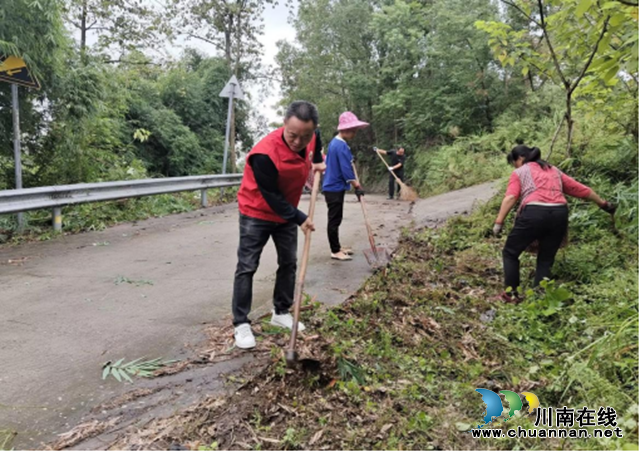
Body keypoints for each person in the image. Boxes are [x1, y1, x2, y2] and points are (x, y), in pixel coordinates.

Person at [232, 101, 326, 349]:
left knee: (289, 262)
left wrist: (316, 159)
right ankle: (241, 324)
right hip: (256, 211)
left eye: (304, 137)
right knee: (247, 266)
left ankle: (281, 311)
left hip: (285, 212)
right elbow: (272, 197)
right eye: (293, 135)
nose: (298, 142)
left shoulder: (311, 135)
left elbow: (316, 139)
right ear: (284, 124)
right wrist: (301, 218)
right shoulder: (264, 154)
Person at [494, 144, 616, 302]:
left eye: (514, 162)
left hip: (534, 212)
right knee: (546, 257)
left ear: (521, 159)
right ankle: (541, 295)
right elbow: (581, 189)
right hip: (560, 213)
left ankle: (511, 295)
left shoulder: (520, 172)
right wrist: (604, 204)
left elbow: (511, 197)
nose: (515, 166)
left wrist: (499, 222)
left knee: (510, 252)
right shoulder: (554, 170)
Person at [322, 111, 369, 261]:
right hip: (333, 187)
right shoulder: (339, 146)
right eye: (353, 129)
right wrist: (357, 185)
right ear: (345, 129)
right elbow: (346, 170)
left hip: (334, 187)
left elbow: (347, 165)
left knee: (337, 218)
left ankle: (337, 246)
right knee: (334, 219)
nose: (355, 132)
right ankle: (335, 250)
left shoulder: (337, 144)